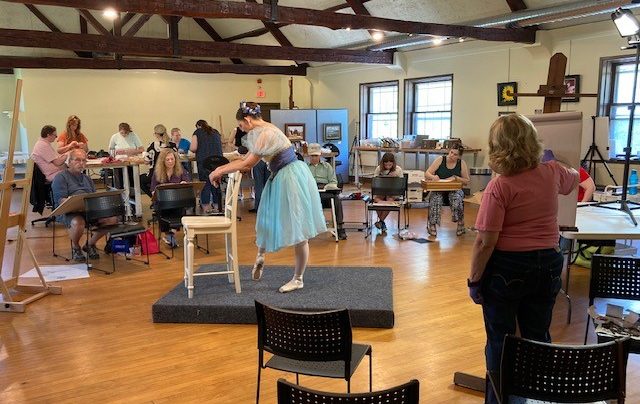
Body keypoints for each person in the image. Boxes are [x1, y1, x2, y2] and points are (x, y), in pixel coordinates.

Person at [468, 114, 579, 404]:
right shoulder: (552, 171)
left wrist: (474, 281)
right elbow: (576, 177)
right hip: (549, 264)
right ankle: (537, 396)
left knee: (501, 341)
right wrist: (555, 162)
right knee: (537, 336)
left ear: (497, 147)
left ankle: (502, 399)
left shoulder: (499, 186)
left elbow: (485, 242)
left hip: (509, 268)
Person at [209, 102, 326, 293]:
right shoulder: (264, 130)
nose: (241, 129)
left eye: (241, 125)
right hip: (280, 175)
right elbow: (245, 159)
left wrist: (218, 171)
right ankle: (261, 255)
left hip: (291, 177)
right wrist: (221, 168)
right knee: (266, 216)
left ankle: (298, 278)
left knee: (299, 227)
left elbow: (247, 164)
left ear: (247, 120)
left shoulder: (266, 133)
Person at [51, 149, 119, 262]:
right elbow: (61, 201)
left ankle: (90, 244)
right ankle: (76, 247)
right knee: (78, 222)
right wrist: (76, 204)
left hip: (88, 209)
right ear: (69, 162)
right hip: (69, 211)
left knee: (112, 219)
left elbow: (94, 197)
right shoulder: (61, 177)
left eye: (84, 160)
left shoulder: (87, 179)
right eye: (77, 160)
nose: (81, 163)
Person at [424, 145, 470, 237]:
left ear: (459, 156)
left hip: (454, 190)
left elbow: (467, 181)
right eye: (451, 152)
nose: (451, 155)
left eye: (455, 154)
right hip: (439, 189)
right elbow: (427, 173)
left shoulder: (461, 163)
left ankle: (460, 222)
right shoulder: (441, 159)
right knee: (435, 198)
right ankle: (432, 224)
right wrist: (433, 177)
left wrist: (456, 178)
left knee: (456, 197)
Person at [151, 148, 191, 248]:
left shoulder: (181, 170)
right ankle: (169, 234)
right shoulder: (157, 173)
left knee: (178, 207)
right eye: (167, 160)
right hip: (163, 202)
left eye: (172, 159)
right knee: (162, 209)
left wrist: (184, 183)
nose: (170, 161)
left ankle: (170, 234)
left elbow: (187, 182)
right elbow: (153, 189)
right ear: (163, 161)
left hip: (177, 201)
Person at [307, 143, 347, 240]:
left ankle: (339, 227)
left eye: (316, 155)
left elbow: (333, 181)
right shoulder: (305, 168)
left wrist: (327, 187)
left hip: (325, 192)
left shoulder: (327, 166)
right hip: (311, 193)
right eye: (312, 156)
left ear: (320, 155)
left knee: (337, 200)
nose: (314, 158)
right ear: (309, 156)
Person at [190, 119, 223, 214]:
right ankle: (217, 207)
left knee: (205, 184)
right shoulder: (215, 132)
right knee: (216, 183)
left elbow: (193, 148)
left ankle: (206, 207)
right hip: (218, 161)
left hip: (204, 161)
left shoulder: (197, 132)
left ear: (198, 126)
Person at [372, 152, 403, 232]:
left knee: (390, 200)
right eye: (386, 165)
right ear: (383, 163)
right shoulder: (379, 169)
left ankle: (381, 222)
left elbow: (401, 185)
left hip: (393, 192)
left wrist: (395, 178)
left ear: (393, 163)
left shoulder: (398, 169)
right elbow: (374, 183)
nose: (388, 167)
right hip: (381, 191)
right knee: (377, 200)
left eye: (390, 165)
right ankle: (382, 222)